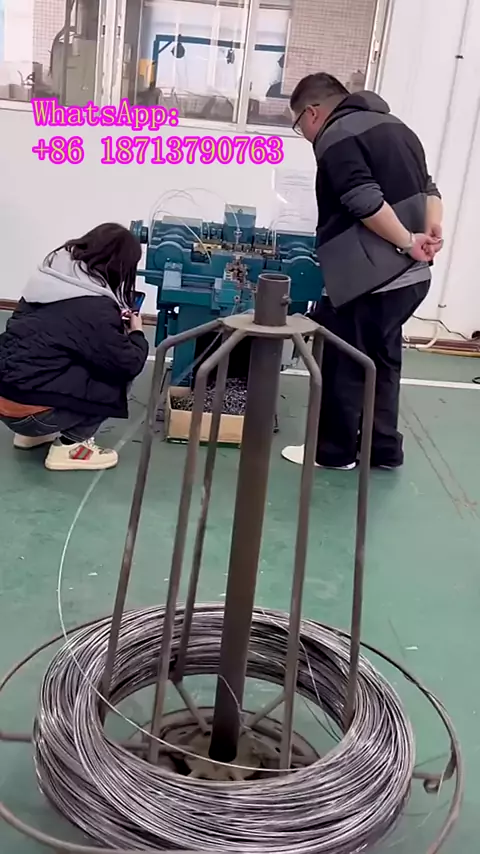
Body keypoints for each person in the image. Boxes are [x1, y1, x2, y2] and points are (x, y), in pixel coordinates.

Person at [281, 73, 443, 471]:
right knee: (383, 361)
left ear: (312, 113)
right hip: (411, 278)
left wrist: (407, 240)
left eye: (299, 125)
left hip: (369, 279)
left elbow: (363, 200)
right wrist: (430, 232)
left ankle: (333, 452)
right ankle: (382, 449)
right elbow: (430, 190)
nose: (304, 134)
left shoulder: (336, 135)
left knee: (342, 359)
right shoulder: (398, 128)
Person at [0, 223, 148, 472]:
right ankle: (71, 446)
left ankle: (30, 436)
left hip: (6, 400)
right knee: (115, 376)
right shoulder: (95, 307)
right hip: (35, 414)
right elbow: (128, 362)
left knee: (50, 358)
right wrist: (136, 333)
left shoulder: (45, 281)